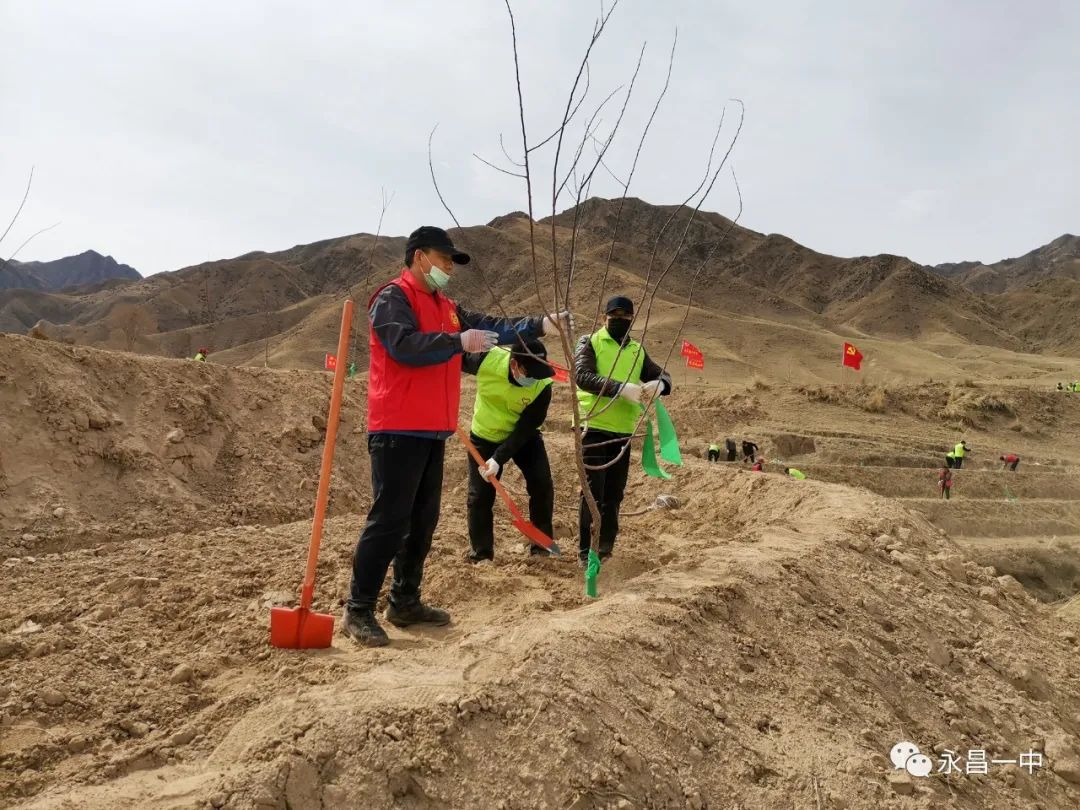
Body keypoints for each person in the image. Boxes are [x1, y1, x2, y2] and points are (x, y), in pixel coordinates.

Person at [342, 226, 571, 647]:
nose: (449, 267)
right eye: (444, 258)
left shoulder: (447, 305)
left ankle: (405, 600)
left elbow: (491, 327)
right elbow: (404, 346)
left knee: (423, 520)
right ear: (417, 256)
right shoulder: (393, 297)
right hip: (396, 427)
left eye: (452, 261)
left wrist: (539, 325)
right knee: (390, 520)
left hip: (433, 429)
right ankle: (358, 608)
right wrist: (455, 342)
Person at [575, 295, 672, 563]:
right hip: (593, 427)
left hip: (623, 432)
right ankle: (586, 551)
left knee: (614, 494)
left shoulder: (637, 351)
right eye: (614, 317)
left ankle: (606, 547)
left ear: (632, 320)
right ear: (603, 318)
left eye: (625, 317)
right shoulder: (589, 342)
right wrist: (618, 388)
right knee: (592, 493)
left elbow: (660, 373)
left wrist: (661, 384)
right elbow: (582, 376)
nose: (619, 321)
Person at [462, 340, 555, 562]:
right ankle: (481, 554)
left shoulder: (542, 385)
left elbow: (526, 428)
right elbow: (450, 359)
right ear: (514, 364)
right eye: (529, 372)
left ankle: (541, 546)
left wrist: (498, 459)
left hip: (523, 437)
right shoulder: (486, 360)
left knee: (542, 484)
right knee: (479, 497)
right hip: (485, 435)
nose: (534, 378)